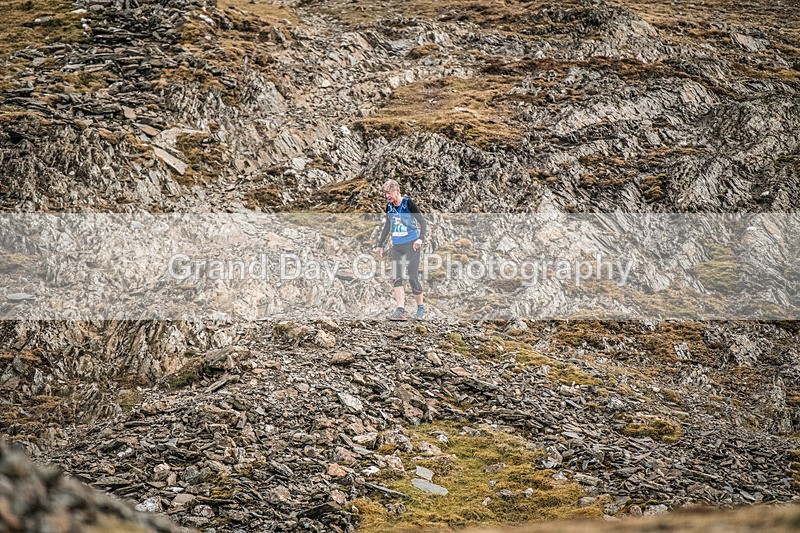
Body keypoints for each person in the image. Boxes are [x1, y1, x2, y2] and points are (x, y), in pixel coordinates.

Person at [375, 179, 427, 321]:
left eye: (389, 193)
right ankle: (400, 310)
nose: (387, 197)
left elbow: (423, 222)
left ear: (397, 191)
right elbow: (388, 225)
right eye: (385, 194)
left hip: (412, 245)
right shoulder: (389, 207)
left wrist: (420, 238)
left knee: (412, 277)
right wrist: (380, 244)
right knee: (396, 277)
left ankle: (420, 308)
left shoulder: (408, 204)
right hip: (397, 246)